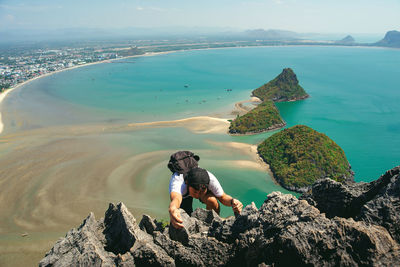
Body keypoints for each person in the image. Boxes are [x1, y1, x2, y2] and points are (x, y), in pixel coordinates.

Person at [169, 166, 243, 229]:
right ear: (187, 184)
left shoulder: (211, 180)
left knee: (212, 201)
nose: (197, 195)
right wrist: (173, 209)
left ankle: (213, 224)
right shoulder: (178, 183)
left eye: (201, 191)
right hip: (184, 194)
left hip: (193, 188)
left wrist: (233, 202)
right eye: (195, 191)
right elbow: (176, 199)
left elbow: (223, 197)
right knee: (182, 216)